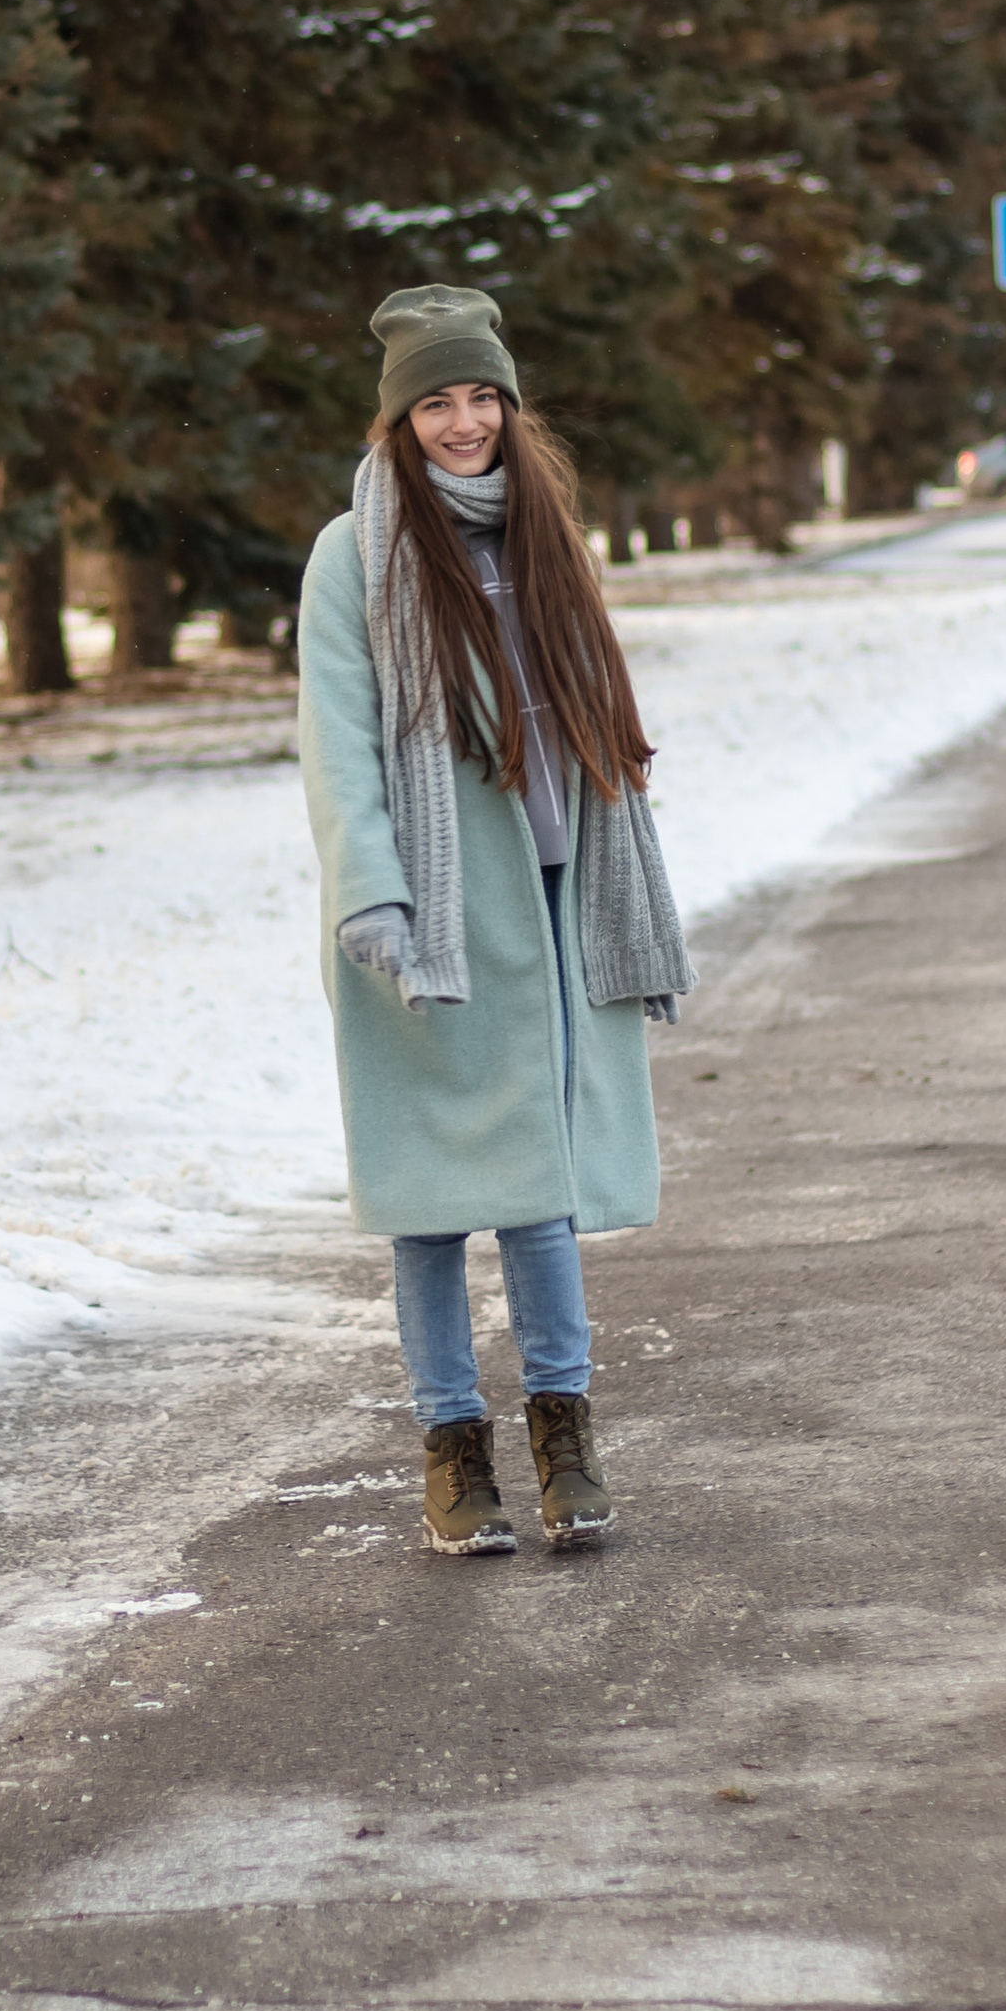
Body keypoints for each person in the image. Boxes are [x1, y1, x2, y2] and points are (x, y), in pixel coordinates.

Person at [297, 283, 695, 1555]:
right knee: (429, 1200)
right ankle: (452, 1447)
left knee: (537, 1186)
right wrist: (372, 891)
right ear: (397, 421)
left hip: (553, 904)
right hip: (427, 914)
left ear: (508, 408)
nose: (461, 421)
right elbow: (337, 745)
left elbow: (589, 701)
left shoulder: (546, 533)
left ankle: (563, 1433)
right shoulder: (352, 556)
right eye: (435, 400)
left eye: (480, 396)